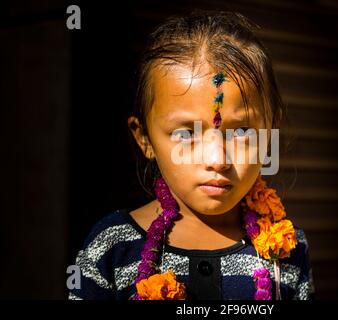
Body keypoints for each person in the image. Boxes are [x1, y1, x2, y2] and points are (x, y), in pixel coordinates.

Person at [68, 10, 314, 300]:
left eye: (242, 132)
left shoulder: (288, 249)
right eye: (186, 134)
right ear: (144, 137)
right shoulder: (111, 247)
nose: (217, 159)